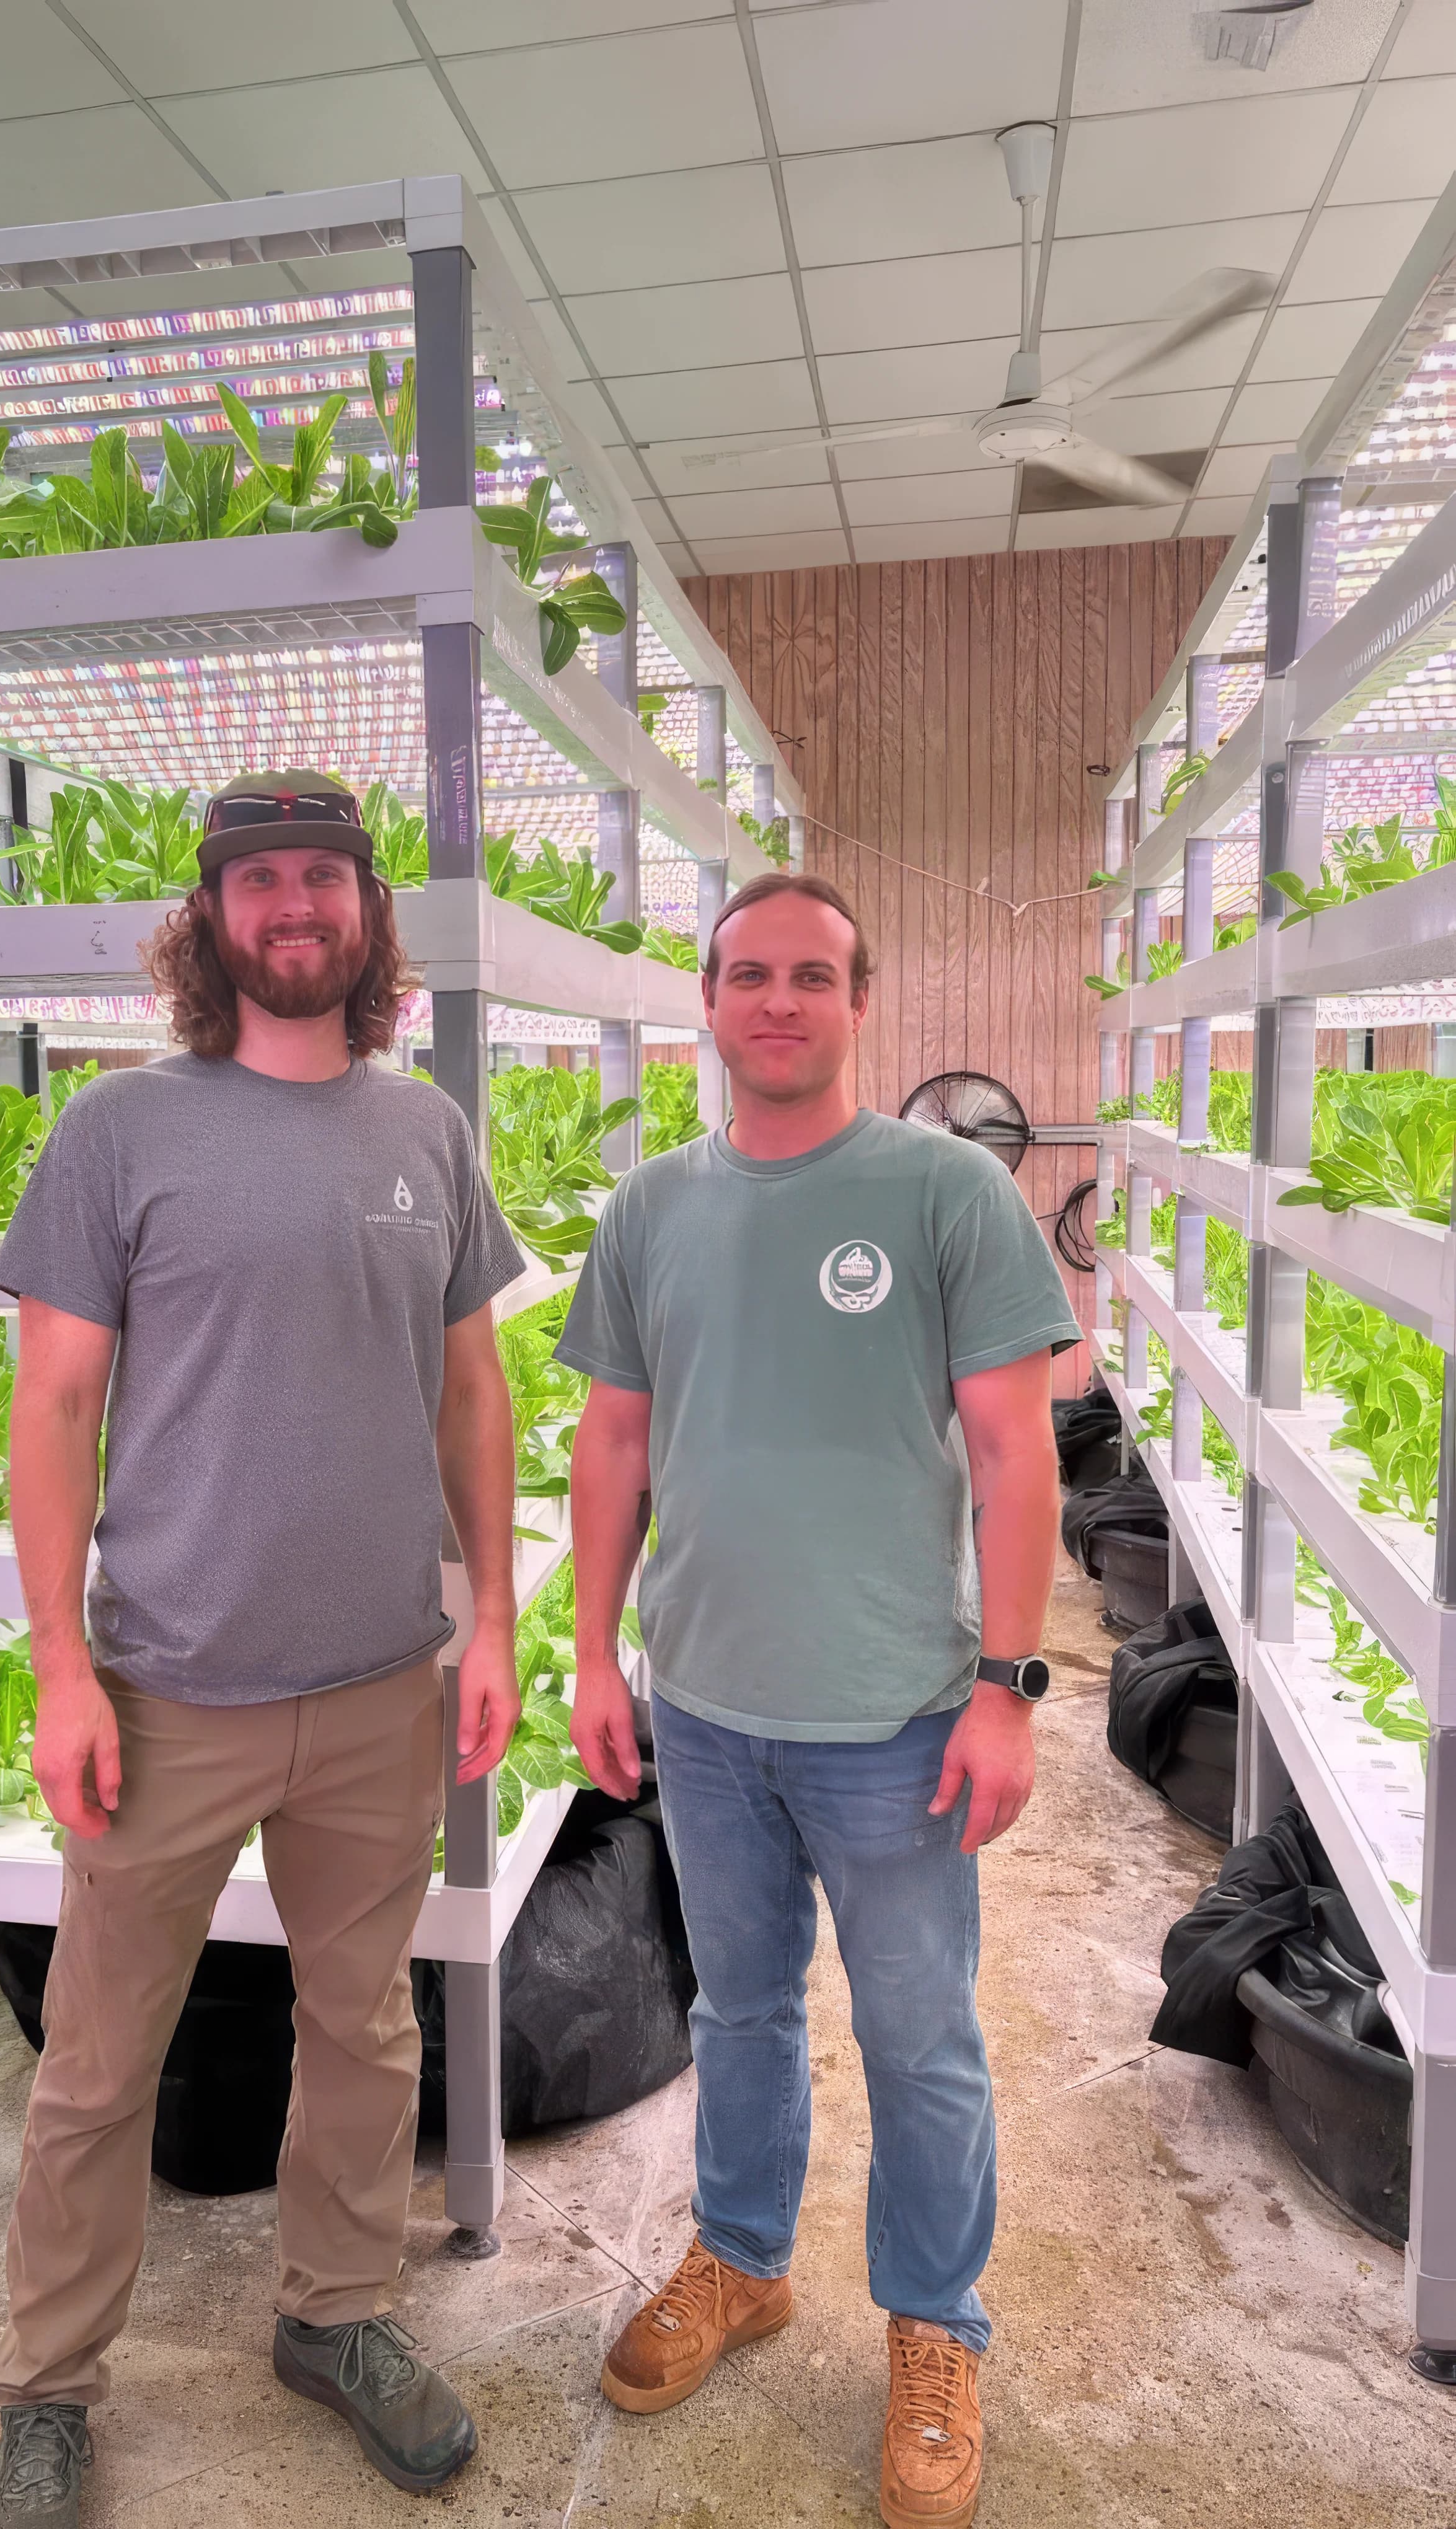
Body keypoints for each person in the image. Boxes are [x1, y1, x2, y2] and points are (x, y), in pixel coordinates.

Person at [0, 770, 526, 2528]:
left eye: (323, 879)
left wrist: (495, 1612)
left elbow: (470, 1388)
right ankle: (47, 2388)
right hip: (165, 1688)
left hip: (375, 1684)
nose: (294, 906)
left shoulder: (426, 1132)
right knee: (96, 2063)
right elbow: (53, 1410)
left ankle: (337, 2316)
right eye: (258, 882)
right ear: (211, 920)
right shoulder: (121, 1133)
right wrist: (61, 1668)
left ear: (367, 915)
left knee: (362, 2027)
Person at [559, 870, 1078, 2529]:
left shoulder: (945, 1196)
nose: (777, 1000)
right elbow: (616, 1444)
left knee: (919, 2037)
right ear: (705, 1005)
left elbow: (1012, 1451)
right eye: (747, 975)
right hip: (706, 1707)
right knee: (738, 2011)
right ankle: (742, 2259)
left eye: (812, 976)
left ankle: (934, 2327)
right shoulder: (649, 1208)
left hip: (900, 1717)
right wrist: (591, 1653)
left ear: (859, 1005)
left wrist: (1003, 1689)